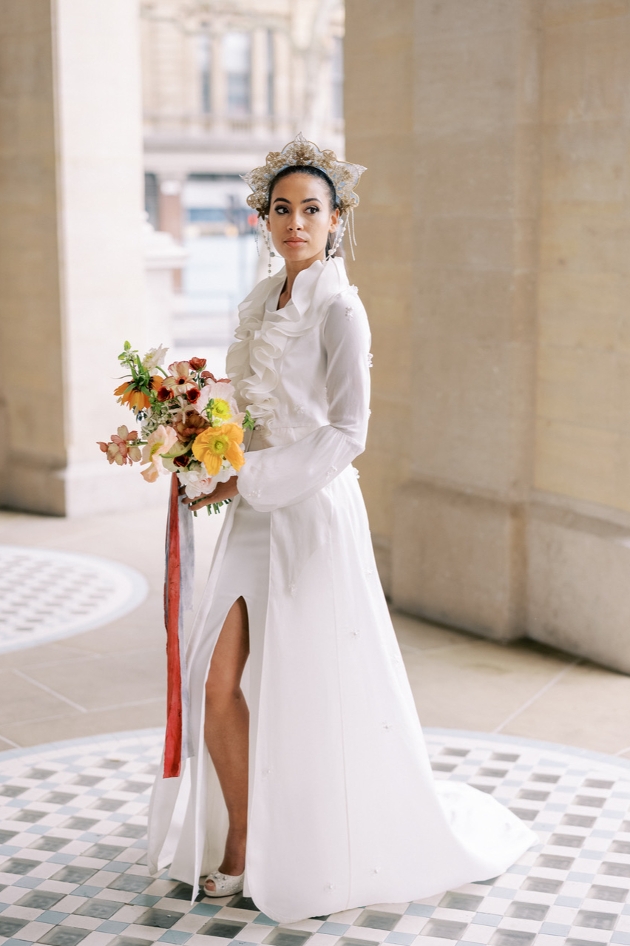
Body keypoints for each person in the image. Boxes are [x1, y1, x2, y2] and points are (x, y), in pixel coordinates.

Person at [147, 133, 536, 924]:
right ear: (263, 219)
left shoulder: (341, 309)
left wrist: (247, 473)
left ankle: (302, 845)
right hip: (254, 517)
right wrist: (187, 423)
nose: (296, 222)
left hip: (313, 512)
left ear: (336, 220)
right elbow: (250, 406)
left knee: (306, 685)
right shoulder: (261, 302)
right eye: (281, 208)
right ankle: (243, 836)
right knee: (215, 682)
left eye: (311, 209)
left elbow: (348, 431)